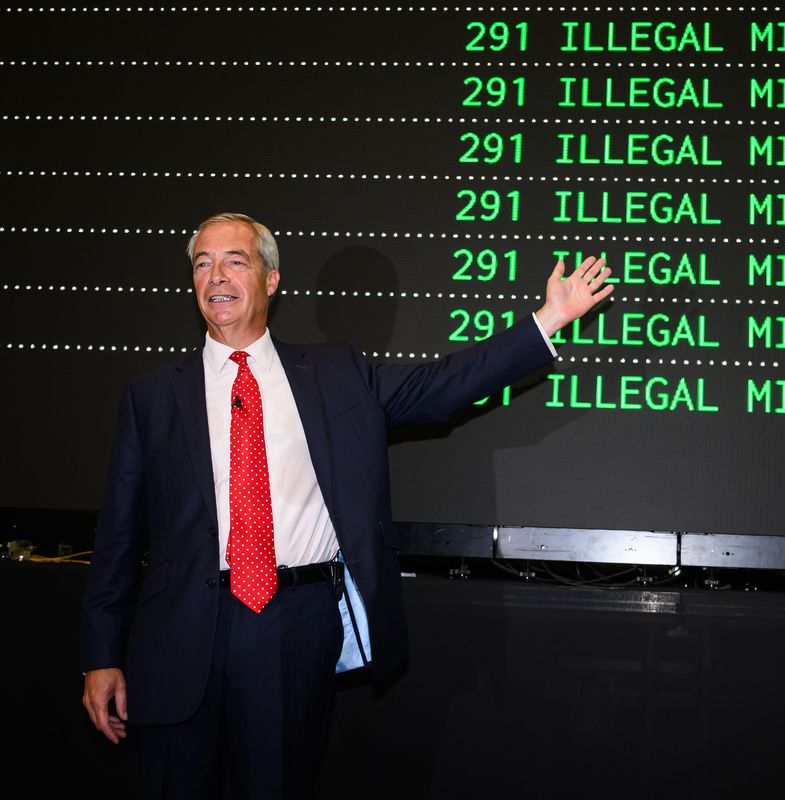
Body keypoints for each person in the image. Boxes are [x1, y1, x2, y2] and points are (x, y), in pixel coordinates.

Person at [79, 212, 612, 798]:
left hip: (292, 625)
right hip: (177, 633)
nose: (217, 275)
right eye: (203, 263)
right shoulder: (152, 396)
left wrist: (549, 319)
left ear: (271, 279)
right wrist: (100, 655)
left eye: (236, 260)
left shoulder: (335, 373)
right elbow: (119, 537)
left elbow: (443, 387)